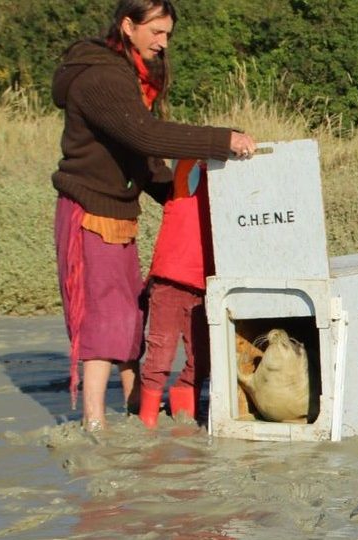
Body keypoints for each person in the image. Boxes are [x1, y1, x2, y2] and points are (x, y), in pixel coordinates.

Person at [52, 0, 257, 432]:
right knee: (105, 316)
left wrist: (177, 196)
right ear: (128, 26)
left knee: (130, 311)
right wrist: (221, 140)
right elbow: (145, 136)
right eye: (156, 32)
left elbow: (139, 158)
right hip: (90, 209)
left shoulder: (128, 75)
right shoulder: (102, 77)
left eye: (168, 34)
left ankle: (132, 409)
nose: (164, 43)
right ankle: (93, 421)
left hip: (117, 210)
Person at [138, 159, 213, 429]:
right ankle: (147, 418)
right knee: (161, 352)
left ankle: (183, 413)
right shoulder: (189, 172)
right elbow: (186, 156)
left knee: (202, 359)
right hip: (170, 278)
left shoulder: (226, 185)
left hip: (206, 284)